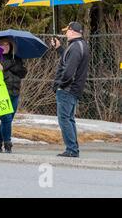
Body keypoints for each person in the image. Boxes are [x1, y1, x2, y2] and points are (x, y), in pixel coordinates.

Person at [51, 22, 89, 158]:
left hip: (67, 89)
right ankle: (73, 148)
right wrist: (59, 48)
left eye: (67, 31)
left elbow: (69, 71)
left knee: (64, 119)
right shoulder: (79, 45)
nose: (65, 33)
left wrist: (60, 84)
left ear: (72, 31)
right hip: (72, 89)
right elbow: (68, 61)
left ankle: (72, 149)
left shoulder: (75, 47)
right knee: (69, 119)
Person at [0, 38, 27, 153]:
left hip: (15, 93)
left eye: (7, 44)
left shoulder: (16, 58)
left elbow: (23, 72)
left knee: (7, 121)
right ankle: (8, 143)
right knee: (6, 119)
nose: (5, 46)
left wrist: (9, 65)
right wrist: (5, 67)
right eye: (2, 44)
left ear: (11, 46)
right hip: (1, 94)